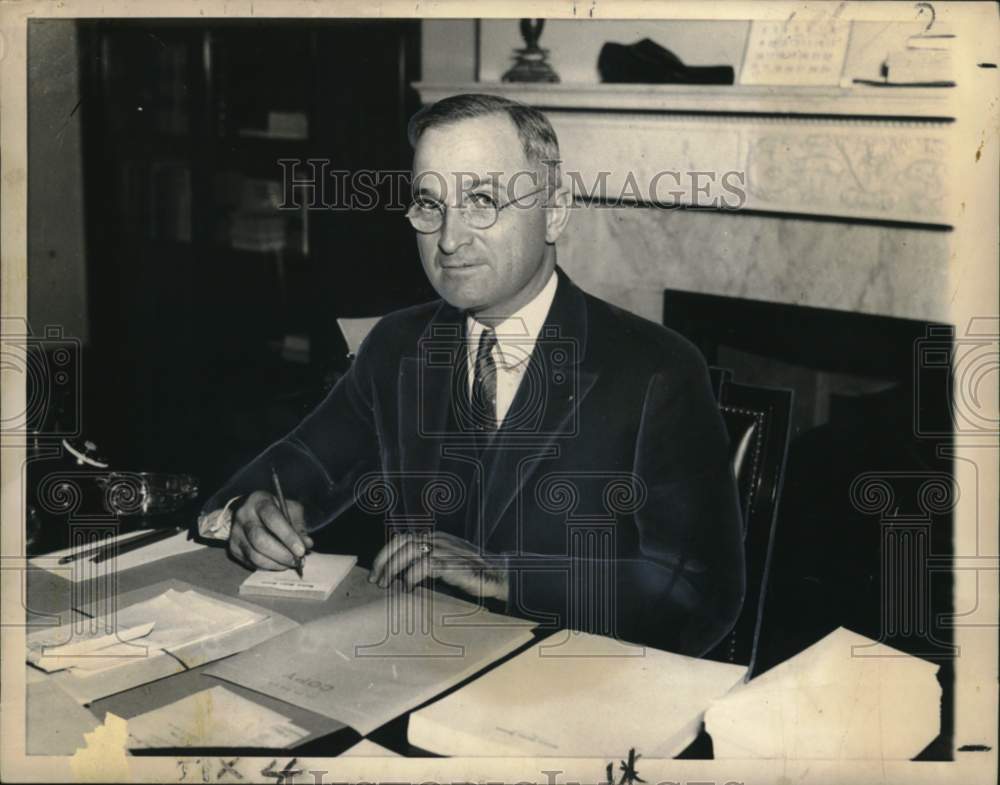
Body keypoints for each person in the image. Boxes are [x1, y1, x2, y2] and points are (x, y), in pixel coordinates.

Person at [199, 93, 745, 657]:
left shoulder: (656, 369)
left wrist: (508, 576)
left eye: (481, 200)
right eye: (429, 205)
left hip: (569, 681)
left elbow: (700, 593)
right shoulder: (398, 347)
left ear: (555, 210)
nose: (449, 239)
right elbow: (292, 473)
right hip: (412, 664)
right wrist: (250, 513)